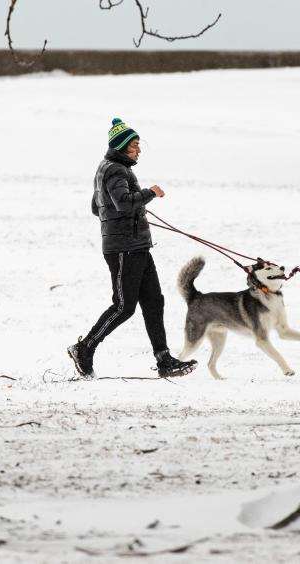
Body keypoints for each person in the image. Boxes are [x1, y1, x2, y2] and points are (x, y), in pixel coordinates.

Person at [68, 118, 198, 378]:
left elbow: (98, 208)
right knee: (124, 306)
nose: (139, 150)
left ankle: (164, 360)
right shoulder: (116, 170)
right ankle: (84, 348)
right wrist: (149, 194)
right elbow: (123, 203)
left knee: (153, 302)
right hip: (124, 249)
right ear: (121, 146)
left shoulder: (109, 168)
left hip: (136, 246)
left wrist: (129, 216)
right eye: (135, 145)